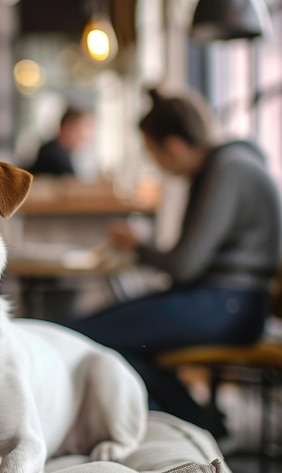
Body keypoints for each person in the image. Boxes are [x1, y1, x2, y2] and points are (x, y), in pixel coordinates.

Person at [69, 86, 282, 439]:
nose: (158, 164)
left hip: (229, 304)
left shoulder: (228, 170)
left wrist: (139, 246)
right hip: (227, 301)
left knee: (90, 336)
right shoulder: (228, 166)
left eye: (153, 154)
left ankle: (193, 429)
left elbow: (185, 265)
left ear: (175, 146)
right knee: (104, 335)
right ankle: (197, 425)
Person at [29, 105, 94, 176]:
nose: (87, 137)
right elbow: (71, 182)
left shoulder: (54, 150)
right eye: (84, 129)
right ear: (68, 129)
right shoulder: (55, 156)